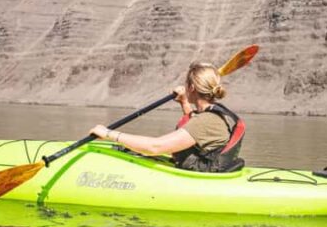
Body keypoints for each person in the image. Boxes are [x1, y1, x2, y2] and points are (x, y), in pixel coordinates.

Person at [89, 62, 245, 172]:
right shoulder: (212, 115)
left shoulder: (205, 121)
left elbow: (155, 147)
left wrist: (109, 134)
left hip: (202, 181)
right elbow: (195, 130)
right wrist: (184, 102)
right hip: (208, 170)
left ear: (191, 87)